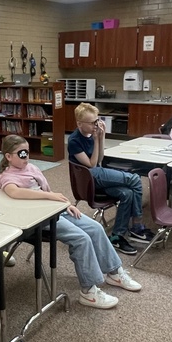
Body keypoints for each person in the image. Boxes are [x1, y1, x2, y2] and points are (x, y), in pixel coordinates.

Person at [0, 135, 142, 309]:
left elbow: (46, 190)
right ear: (8, 156)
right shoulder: (7, 176)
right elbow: (15, 193)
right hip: (39, 220)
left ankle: (114, 272)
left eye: (27, 152)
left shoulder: (32, 168)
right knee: (81, 239)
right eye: (21, 154)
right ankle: (88, 292)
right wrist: (51, 197)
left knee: (95, 228)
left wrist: (66, 205)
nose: (26, 157)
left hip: (54, 210)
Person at [67, 101, 154, 256]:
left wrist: (102, 137)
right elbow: (92, 165)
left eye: (98, 121)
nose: (96, 125)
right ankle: (137, 225)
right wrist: (95, 139)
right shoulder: (74, 140)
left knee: (127, 193)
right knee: (134, 179)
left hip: (96, 173)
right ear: (79, 123)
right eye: (93, 122)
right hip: (89, 179)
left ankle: (117, 236)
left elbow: (100, 158)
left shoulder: (90, 134)